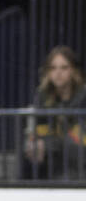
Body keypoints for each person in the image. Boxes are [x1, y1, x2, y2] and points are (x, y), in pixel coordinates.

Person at [23, 45, 86, 180]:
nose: (58, 73)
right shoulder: (42, 95)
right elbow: (38, 128)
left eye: (64, 68)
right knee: (30, 150)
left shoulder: (83, 95)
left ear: (74, 71)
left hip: (79, 152)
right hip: (53, 151)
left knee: (68, 146)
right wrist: (35, 141)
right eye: (53, 68)